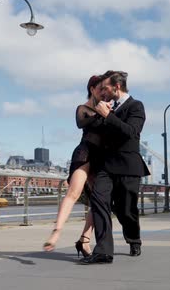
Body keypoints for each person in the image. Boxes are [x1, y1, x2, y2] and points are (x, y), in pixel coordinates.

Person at [80, 70, 149, 265]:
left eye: (105, 88)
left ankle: (133, 239)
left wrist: (107, 115)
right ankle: (103, 251)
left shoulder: (136, 106)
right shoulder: (104, 107)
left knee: (125, 210)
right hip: (106, 166)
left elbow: (132, 133)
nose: (102, 92)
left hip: (128, 167)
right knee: (99, 201)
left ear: (116, 87)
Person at [43, 75, 106, 258]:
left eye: (105, 89)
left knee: (100, 201)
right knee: (73, 192)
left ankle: (85, 239)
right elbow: (81, 122)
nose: (104, 93)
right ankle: (56, 232)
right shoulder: (83, 108)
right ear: (92, 89)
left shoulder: (107, 108)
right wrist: (102, 114)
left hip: (101, 157)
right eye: (100, 89)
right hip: (85, 154)